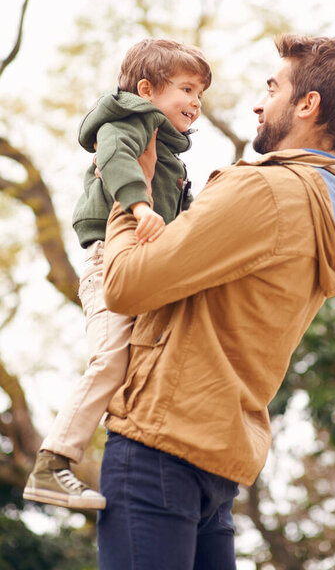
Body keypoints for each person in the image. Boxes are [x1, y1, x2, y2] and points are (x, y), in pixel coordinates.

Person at [96, 34, 335, 570]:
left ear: (307, 105)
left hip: (160, 445)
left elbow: (125, 284)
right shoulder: (327, 214)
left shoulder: (265, 191)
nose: (259, 103)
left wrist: (136, 194)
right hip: (220, 460)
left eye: (273, 88)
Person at [23, 38, 212, 510]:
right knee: (110, 359)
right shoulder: (129, 122)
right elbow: (114, 158)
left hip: (142, 264)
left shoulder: (170, 150)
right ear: (147, 90)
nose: (195, 102)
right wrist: (140, 204)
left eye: (200, 95)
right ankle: (52, 463)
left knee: (142, 362)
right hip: (109, 259)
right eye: (187, 89)